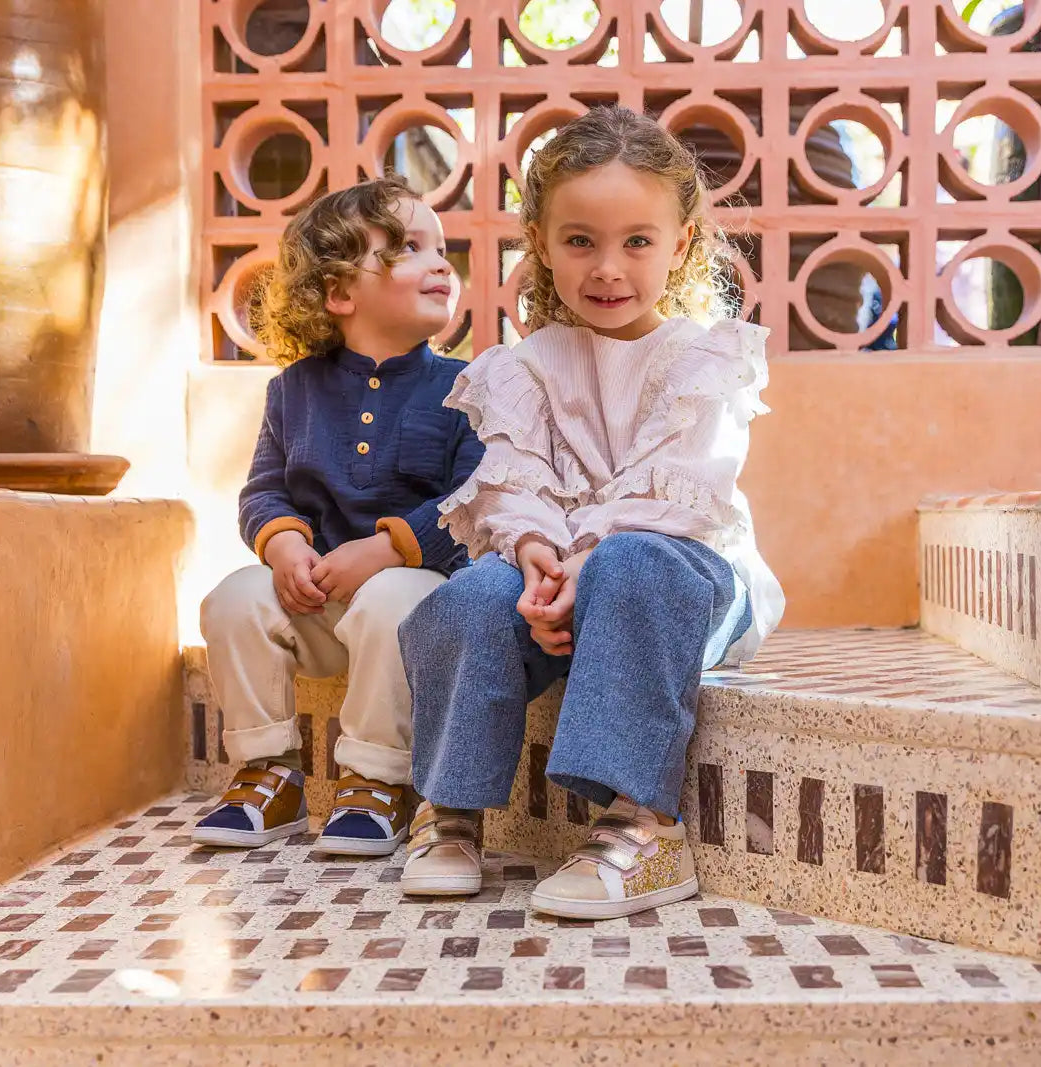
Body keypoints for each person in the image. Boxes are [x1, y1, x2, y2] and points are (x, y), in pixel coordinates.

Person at [397, 107, 785, 918]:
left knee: (631, 560)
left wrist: (587, 562)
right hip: (562, 588)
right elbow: (510, 477)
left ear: (680, 243)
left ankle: (642, 827)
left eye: (637, 241)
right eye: (580, 241)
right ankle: (451, 813)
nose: (608, 268)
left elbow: (678, 489)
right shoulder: (523, 367)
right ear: (538, 241)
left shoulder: (705, 358)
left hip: (680, 583)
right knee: (468, 594)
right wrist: (537, 549)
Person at [195, 175, 482, 857]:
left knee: (392, 599)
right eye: (409, 247)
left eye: (441, 248)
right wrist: (286, 547)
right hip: (318, 599)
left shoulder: (468, 387)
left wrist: (386, 550)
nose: (441, 262)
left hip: (412, 602)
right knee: (231, 599)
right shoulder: (292, 391)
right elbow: (263, 492)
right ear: (340, 293)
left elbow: (475, 498)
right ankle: (269, 774)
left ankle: (377, 780)